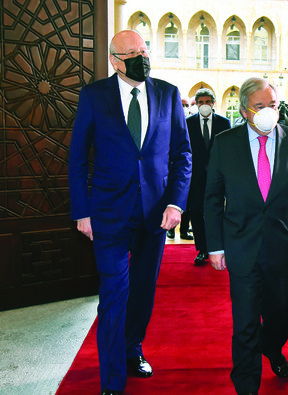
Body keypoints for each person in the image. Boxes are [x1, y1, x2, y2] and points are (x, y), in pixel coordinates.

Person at [68, 30, 192, 395]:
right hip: (108, 213)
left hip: (156, 213)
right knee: (114, 292)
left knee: (142, 289)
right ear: (115, 60)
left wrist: (176, 202)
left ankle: (132, 349)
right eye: (133, 53)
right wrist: (82, 211)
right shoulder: (94, 96)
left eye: (144, 49)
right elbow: (78, 159)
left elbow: (182, 154)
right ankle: (111, 381)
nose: (143, 57)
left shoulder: (167, 94)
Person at [204, 77, 288, 395]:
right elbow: (212, 198)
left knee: (281, 313)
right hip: (241, 246)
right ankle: (246, 385)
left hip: (283, 246)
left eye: (273, 105)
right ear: (244, 111)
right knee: (245, 322)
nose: (268, 112)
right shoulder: (226, 143)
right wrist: (214, 245)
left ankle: (273, 347)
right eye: (259, 107)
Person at [186, 88, 231, 266]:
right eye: (201, 102)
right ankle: (202, 249)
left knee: (218, 211)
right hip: (195, 177)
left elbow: (228, 151)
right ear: (196, 104)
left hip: (218, 177)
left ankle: (218, 246)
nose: (204, 105)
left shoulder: (223, 122)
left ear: (213, 103)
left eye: (207, 102)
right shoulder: (187, 123)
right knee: (196, 212)